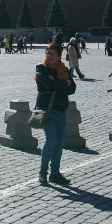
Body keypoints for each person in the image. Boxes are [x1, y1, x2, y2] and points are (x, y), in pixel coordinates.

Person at [36, 42, 76, 185]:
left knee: (59, 143)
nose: (49, 56)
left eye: (53, 54)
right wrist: (63, 84)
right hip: (46, 109)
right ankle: (42, 171)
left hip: (61, 109)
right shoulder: (41, 68)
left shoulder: (63, 69)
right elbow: (48, 84)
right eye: (48, 53)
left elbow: (73, 88)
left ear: (59, 56)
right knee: (51, 140)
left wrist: (59, 83)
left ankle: (55, 173)